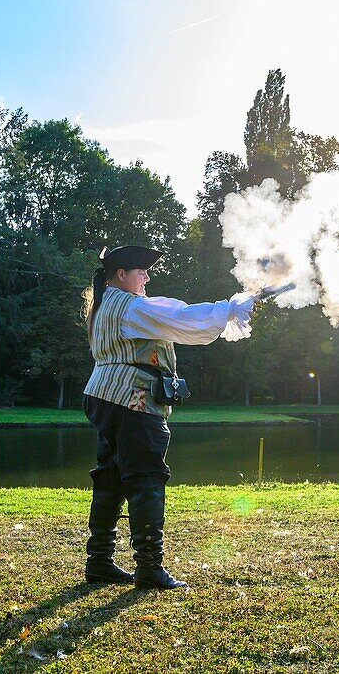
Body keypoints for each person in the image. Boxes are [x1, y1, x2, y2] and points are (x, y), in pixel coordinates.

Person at [81, 245, 256, 590]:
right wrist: (229, 309)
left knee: (111, 478)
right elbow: (181, 317)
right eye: (140, 272)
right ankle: (149, 567)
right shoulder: (130, 307)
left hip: (105, 396)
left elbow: (175, 318)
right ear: (121, 275)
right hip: (132, 400)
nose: (146, 277)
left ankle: (99, 561)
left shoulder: (107, 306)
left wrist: (229, 310)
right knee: (147, 478)